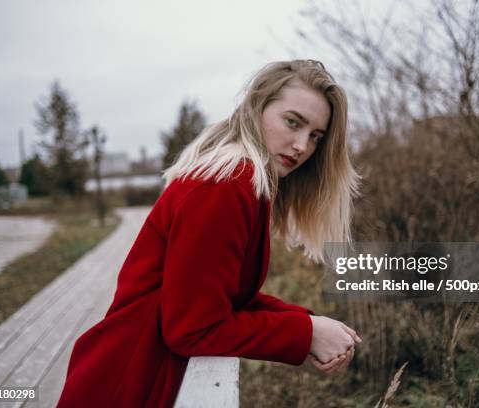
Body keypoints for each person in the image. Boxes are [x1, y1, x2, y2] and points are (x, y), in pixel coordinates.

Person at [57, 59, 361, 407]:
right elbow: (194, 328)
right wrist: (305, 334)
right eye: (293, 123)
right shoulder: (226, 185)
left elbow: (222, 296)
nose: (301, 146)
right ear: (257, 107)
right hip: (131, 382)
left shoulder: (241, 182)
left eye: (315, 137)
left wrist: (308, 323)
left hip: (139, 371)